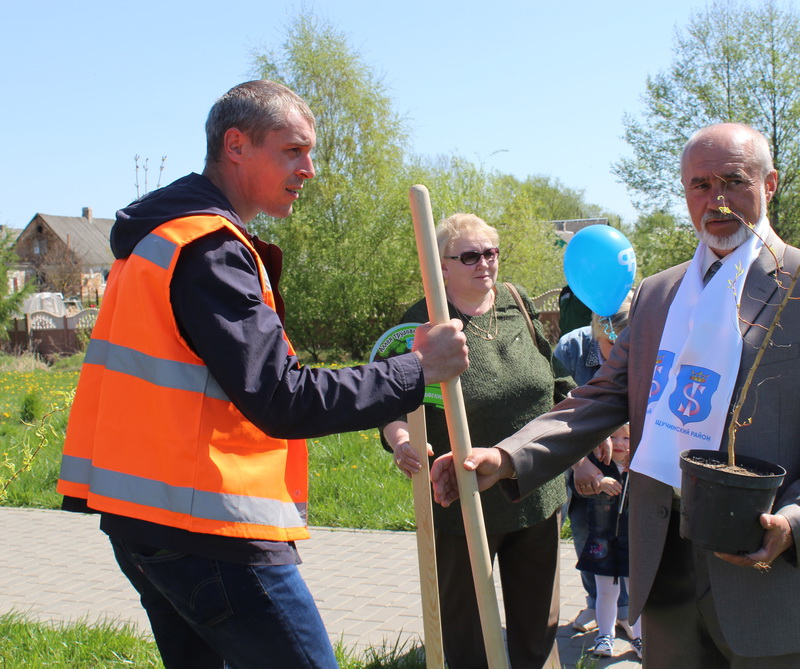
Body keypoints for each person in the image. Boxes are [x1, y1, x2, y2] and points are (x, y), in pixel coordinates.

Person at [432, 123, 800, 668]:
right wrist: (508, 455)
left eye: (733, 181)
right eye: (700, 185)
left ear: (768, 186)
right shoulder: (658, 294)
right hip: (666, 567)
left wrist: (797, 521)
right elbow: (602, 395)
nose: (716, 200)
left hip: (771, 576)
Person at [56, 80, 468, 669]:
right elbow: (283, 397)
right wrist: (417, 370)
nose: (310, 169)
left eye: (311, 152)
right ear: (236, 145)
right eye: (293, 150)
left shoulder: (157, 241)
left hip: (149, 521)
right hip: (207, 530)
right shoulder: (206, 248)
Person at [381, 213, 575, 669]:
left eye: (490, 253)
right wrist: (401, 439)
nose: (483, 263)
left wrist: (579, 431)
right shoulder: (422, 322)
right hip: (460, 497)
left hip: (533, 489)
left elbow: (554, 374)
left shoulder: (517, 301)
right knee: (467, 630)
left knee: (538, 628)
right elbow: (388, 401)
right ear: (441, 265)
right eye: (468, 255)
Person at [553, 294, 641, 652]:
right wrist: (580, 461)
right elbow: (555, 408)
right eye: (610, 345)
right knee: (587, 533)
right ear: (595, 331)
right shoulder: (572, 350)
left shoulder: (645, 344)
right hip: (577, 459)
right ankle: (598, 602)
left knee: (628, 537)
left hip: (625, 459)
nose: (619, 355)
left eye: (627, 346)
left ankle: (624, 612)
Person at [576, 423, 638, 659]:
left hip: (632, 541)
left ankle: (640, 636)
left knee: (636, 591)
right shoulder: (597, 467)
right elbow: (581, 489)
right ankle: (605, 635)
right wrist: (599, 482)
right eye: (613, 436)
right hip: (602, 542)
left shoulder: (640, 468)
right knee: (606, 592)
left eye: (627, 438)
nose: (620, 443)